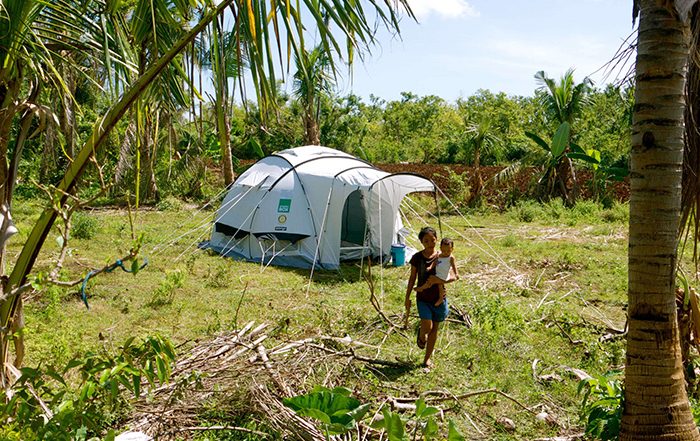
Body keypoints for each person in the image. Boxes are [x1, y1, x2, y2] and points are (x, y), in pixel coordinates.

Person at [404, 226, 448, 369]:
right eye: (426, 241)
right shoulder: (417, 258)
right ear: (422, 242)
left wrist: (442, 282)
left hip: (438, 298)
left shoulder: (442, 256)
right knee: (427, 326)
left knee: (435, 328)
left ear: (436, 239)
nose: (430, 243)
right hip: (423, 297)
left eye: (432, 240)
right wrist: (407, 296)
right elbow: (412, 278)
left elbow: (452, 274)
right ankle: (422, 335)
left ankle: (427, 359)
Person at [415, 238, 459, 306]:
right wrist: (430, 267)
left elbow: (454, 266)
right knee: (431, 280)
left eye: (448, 251)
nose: (446, 253)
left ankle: (438, 296)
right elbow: (435, 262)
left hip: (444, 275)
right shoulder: (439, 255)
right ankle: (423, 288)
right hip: (438, 274)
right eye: (444, 251)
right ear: (440, 248)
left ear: (452, 249)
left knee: (437, 284)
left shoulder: (451, 258)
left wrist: (456, 273)